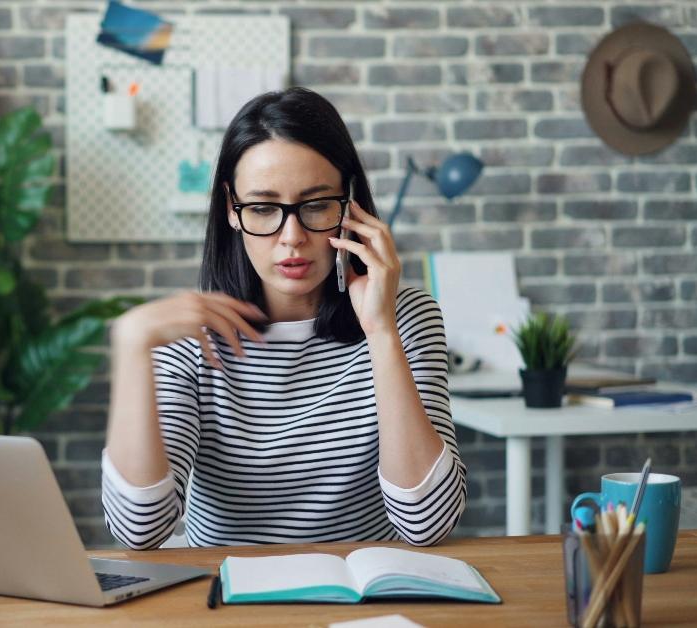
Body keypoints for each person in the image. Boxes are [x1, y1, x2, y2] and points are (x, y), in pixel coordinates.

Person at [101, 87, 466, 549]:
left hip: (365, 600)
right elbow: (139, 531)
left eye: (315, 206)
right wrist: (132, 347)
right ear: (231, 209)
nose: (291, 238)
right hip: (228, 602)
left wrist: (380, 330)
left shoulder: (406, 317)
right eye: (262, 208)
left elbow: (428, 524)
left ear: (349, 204)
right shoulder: (188, 335)